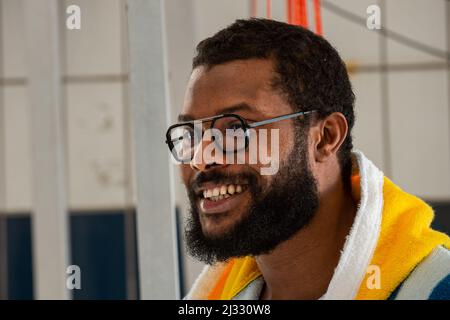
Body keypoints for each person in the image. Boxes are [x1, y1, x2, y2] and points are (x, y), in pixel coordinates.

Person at [165, 18, 450, 300]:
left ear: (325, 137)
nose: (201, 159)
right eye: (191, 133)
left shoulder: (433, 290)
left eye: (236, 129)